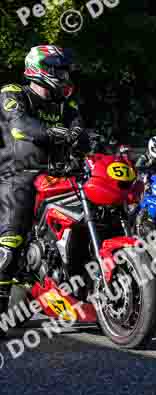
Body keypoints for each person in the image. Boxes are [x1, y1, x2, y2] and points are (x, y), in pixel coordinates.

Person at [0, 45, 84, 321]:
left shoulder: (66, 106)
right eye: (57, 70)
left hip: (58, 177)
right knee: (10, 244)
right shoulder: (13, 93)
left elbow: (80, 132)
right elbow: (19, 126)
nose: (63, 75)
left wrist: (86, 139)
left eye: (64, 70)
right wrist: (52, 131)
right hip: (16, 174)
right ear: (40, 70)